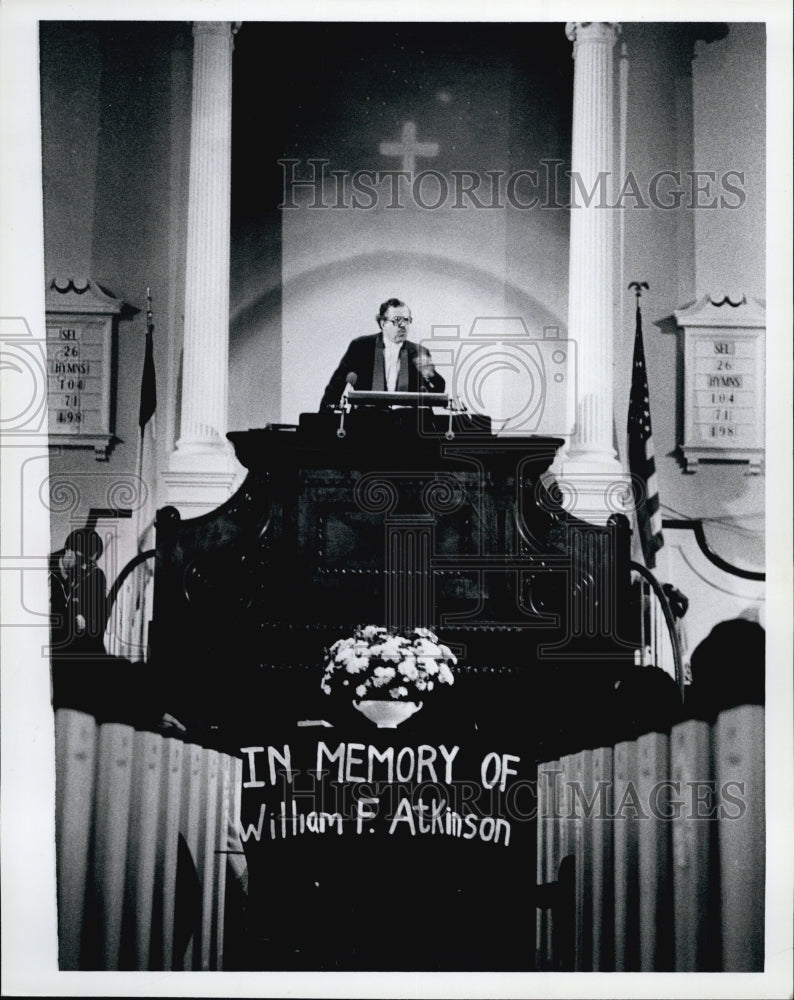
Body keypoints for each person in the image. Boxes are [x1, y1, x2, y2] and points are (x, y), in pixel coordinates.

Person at [319, 297, 445, 409]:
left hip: (407, 423)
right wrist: (324, 419)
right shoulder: (361, 346)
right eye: (397, 320)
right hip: (367, 421)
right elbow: (336, 385)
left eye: (407, 320)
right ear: (383, 323)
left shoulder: (418, 351)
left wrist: (430, 374)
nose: (403, 326)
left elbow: (438, 391)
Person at [49, 527, 108, 658]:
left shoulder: (95, 576)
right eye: (82, 560)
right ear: (68, 551)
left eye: (91, 563)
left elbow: (97, 623)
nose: (85, 568)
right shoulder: (42, 570)